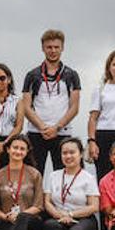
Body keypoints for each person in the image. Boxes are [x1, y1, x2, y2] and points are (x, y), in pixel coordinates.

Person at [19, 29, 82, 170]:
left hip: (62, 132)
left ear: (62, 48)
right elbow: (26, 106)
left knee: (63, 174)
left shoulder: (71, 75)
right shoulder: (32, 75)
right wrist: (42, 127)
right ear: (43, 48)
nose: (53, 51)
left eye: (56, 47)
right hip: (36, 132)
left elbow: (74, 107)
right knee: (34, 174)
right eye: (49, 47)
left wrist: (57, 127)